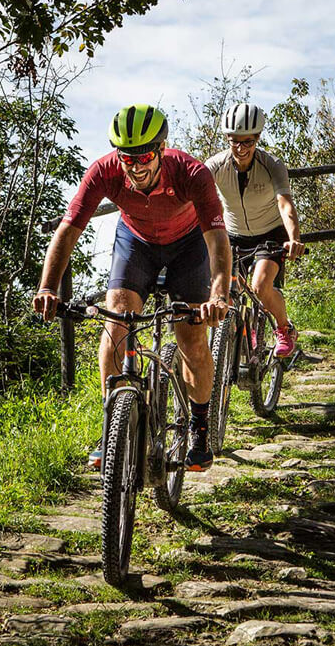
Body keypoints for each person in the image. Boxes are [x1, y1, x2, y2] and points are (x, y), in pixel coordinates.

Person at [33, 104, 232, 472]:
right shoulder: (105, 172)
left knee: (191, 338)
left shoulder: (191, 173)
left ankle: (200, 426)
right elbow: (68, 231)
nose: (136, 167)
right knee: (114, 331)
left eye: (144, 157)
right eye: (128, 158)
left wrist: (219, 294)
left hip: (188, 246)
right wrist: (48, 287)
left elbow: (218, 240)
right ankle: (112, 425)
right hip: (136, 244)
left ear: (160, 150)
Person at [205, 102, 304, 358]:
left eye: (247, 142)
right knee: (220, 289)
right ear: (227, 138)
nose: (240, 148)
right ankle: (225, 345)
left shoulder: (272, 164)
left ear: (258, 138)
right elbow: (196, 196)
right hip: (233, 235)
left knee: (260, 287)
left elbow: (285, 204)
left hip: (270, 234)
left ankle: (284, 328)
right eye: (234, 141)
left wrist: (294, 238)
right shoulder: (216, 165)